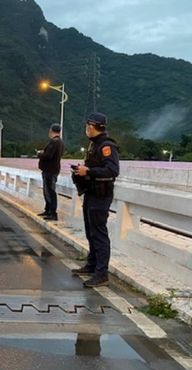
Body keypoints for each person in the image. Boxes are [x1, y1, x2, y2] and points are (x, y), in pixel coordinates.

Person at [71, 112, 120, 288]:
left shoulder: (107, 146)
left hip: (101, 196)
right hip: (91, 193)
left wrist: (89, 172)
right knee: (90, 232)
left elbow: (112, 170)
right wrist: (82, 170)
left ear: (94, 127)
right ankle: (91, 265)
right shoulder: (94, 145)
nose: (87, 129)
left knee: (99, 234)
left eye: (88, 127)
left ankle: (101, 273)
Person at [36, 123, 64, 221]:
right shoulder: (60, 142)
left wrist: (39, 154)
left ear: (51, 131)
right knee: (47, 191)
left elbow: (48, 156)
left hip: (50, 170)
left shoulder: (54, 142)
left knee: (49, 191)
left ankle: (52, 213)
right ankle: (48, 210)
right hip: (53, 169)